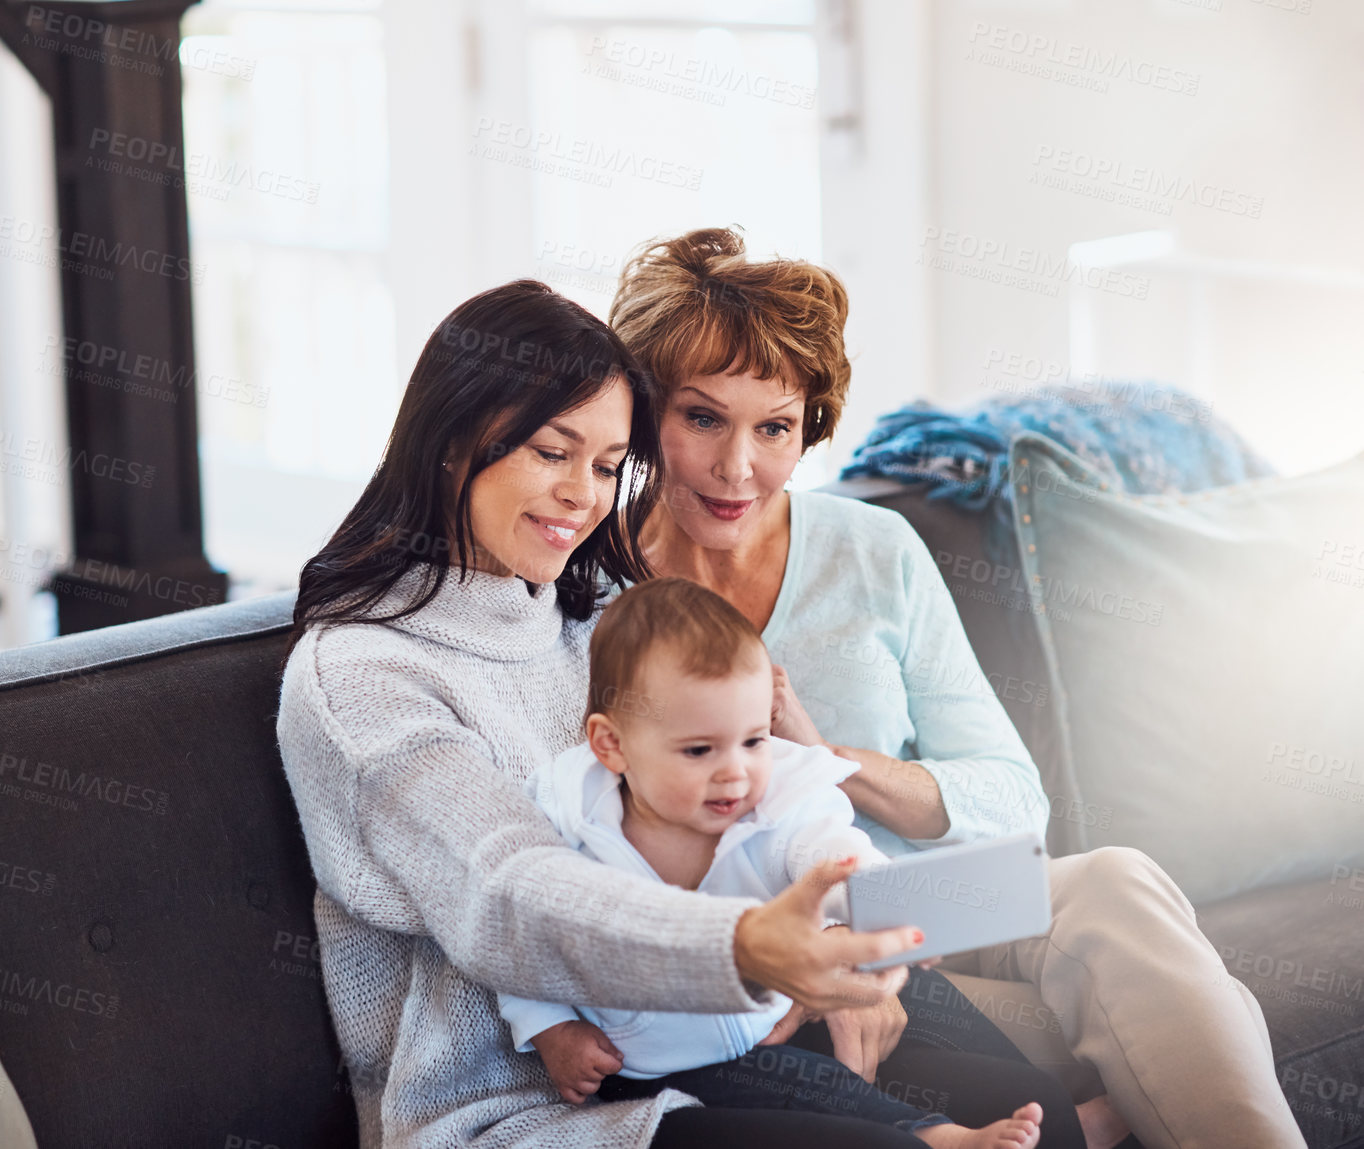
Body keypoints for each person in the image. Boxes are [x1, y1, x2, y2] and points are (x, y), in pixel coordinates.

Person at [279, 279, 1025, 1148]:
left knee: (1040, 1097)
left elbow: (763, 795)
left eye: (604, 466)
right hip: (532, 1102)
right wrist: (744, 949)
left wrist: (845, 926)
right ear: (454, 440)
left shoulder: (593, 610)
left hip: (715, 1015)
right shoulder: (362, 678)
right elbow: (513, 892)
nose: (583, 496)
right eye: (552, 453)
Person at [606, 226, 1305, 1149]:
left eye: (774, 427)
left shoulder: (874, 551)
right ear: (645, 410)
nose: (741, 468)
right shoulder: (593, 590)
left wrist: (832, 763)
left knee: (1116, 880)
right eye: (703, 418)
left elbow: (1016, 800)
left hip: (919, 897)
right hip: (757, 925)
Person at [495, 575, 1072, 1149]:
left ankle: (1061, 1106)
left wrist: (890, 898)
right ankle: (940, 1137)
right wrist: (549, 1029)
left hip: (766, 1021)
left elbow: (828, 852)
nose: (735, 772)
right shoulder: (566, 820)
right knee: (809, 1084)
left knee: (927, 1013)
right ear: (611, 745)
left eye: (752, 741)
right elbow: (520, 938)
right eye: (699, 750)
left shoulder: (772, 802)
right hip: (651, 1065)